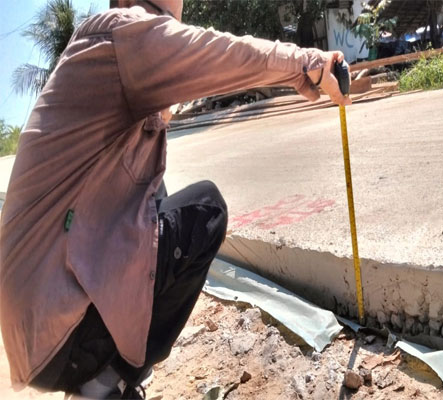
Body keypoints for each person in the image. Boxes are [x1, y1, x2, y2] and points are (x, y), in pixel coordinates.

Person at [0, 0, 350, 398]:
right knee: (206, 210)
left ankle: (100, 374)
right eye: (167, 28)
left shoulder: (92, 62)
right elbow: (218, 54)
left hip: (34, 331)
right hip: (61, 333)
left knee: (155, 193)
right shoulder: (121, 33)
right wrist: (309, 64)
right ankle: (105, 383)